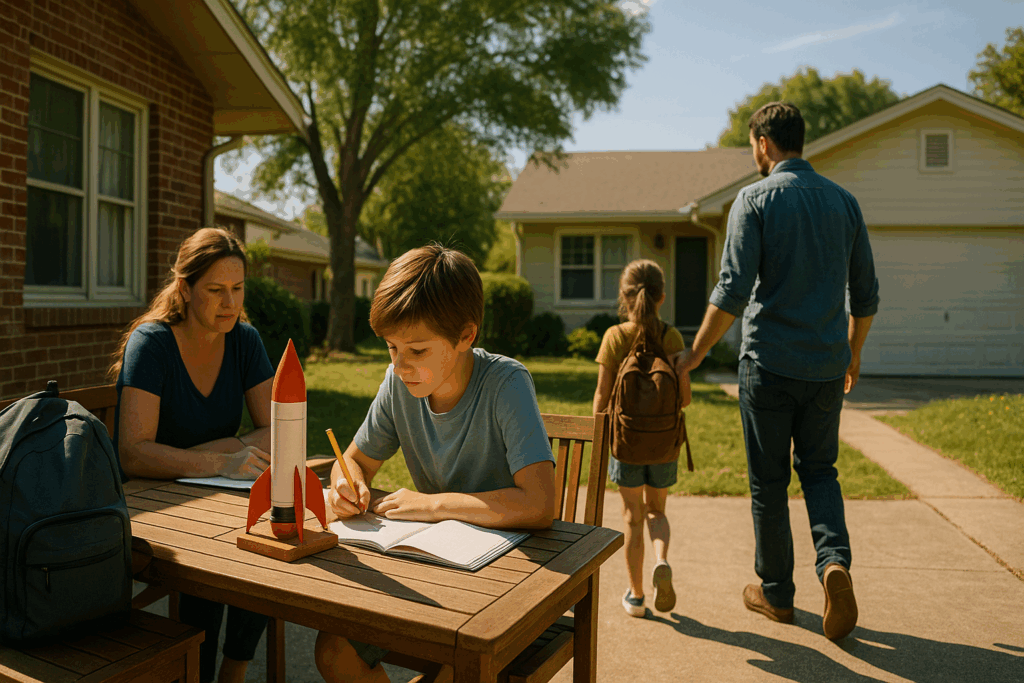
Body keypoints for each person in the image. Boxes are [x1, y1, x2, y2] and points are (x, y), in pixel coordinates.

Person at [677, 102, 879, 641]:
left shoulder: (754, 199)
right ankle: (834, 565)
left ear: (764, 144)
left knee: (769, 483)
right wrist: (853, 353)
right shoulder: (845, 202)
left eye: (751, 146)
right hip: (825, 370)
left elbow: (733, 290)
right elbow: (866, 296)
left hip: (767, 367)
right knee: (819, 471)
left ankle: (776, 595)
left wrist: (693, 355)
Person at [315, 245, 556, 683]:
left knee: (460, 664)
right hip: (431, 574)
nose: (401, 366)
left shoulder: (507, 384)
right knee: (333, 651)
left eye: (418, 351)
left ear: (466, 336)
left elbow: (540, 503)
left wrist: (434, 504)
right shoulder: (398, 384)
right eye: (391, 347)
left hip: (504, 583)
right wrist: (349, 483)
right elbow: (353, 460)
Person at [108, 227, 276, 683]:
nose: (230, 303)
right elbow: (133, 454)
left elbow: (279, 430)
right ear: (185, 288)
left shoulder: (244, 340)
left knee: (272, 536)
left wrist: (222, 451)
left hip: (211, 497)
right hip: (152, 506)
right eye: (216, 291)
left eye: (238, 289)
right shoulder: (153, 344)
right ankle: (199, 674)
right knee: (217, 555)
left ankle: (233, 669)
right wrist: (224, 458)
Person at [592, 259, 691, 618]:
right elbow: (686, 397)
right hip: (664, 442)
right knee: (656, 511)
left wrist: (598, 435)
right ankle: (661, 560)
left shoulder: (615, 337)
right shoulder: (672, 337)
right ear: (661, 296)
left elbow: (602, 397)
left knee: (632, 516)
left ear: (624, 295)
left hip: (627, 442)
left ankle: (636, 597)